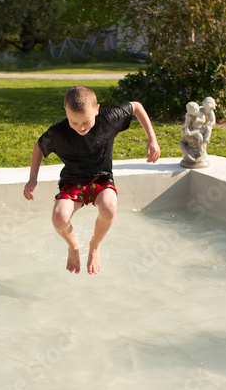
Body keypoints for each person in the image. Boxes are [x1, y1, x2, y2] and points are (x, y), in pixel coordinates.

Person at [23, 85, 160, 275]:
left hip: (101, 178)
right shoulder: (59, 132)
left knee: (109, 206)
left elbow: (136, 106)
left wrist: (151, 138)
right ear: (66, 112)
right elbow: (39, 146)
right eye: (74, 122)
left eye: (86, 122)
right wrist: (33, 178)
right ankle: (73, 246)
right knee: (59, 218)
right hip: (73, 181)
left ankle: (95, 246)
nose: (80, 128)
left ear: (97, 109)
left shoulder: (108, 119)